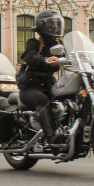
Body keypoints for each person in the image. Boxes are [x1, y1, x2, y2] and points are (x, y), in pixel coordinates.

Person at [16, 10, 64, 147]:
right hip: (30, 88)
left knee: (66, 98)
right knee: (43, 100)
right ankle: (51, 138)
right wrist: (45, 59)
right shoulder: (33, 43)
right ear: (41, 26)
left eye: (56, 23)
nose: (54, 27)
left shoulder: (58, 46)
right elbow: (30, 57)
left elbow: (71, 55)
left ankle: (65, 132)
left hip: (48, 85)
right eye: (50, 23)